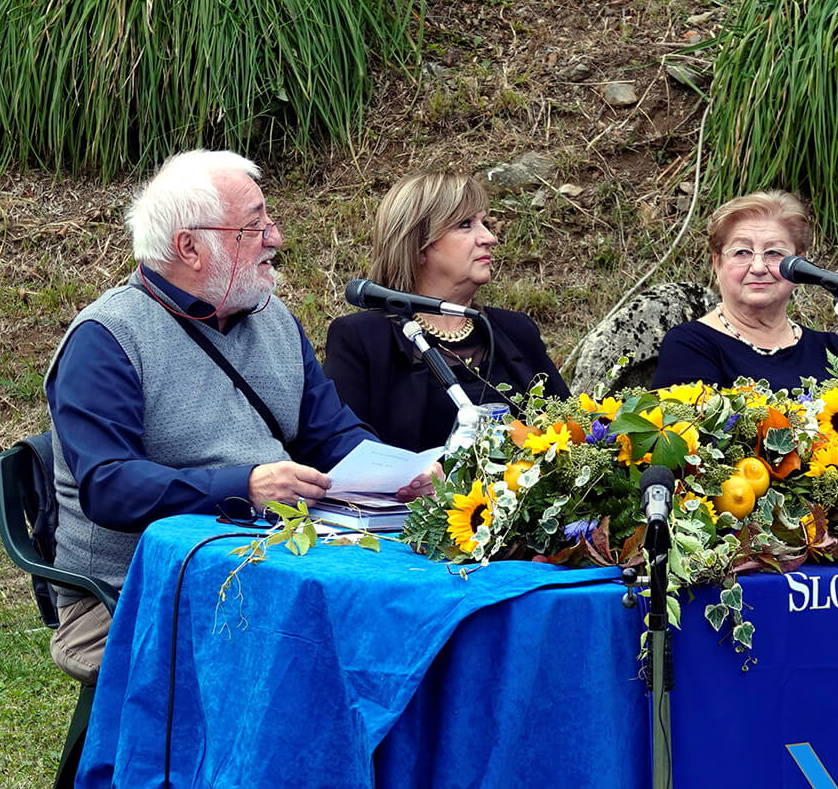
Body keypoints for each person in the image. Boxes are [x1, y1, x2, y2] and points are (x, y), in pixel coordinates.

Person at [44, 148, 430, 683]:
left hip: (272, 565)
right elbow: (110, 486)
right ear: (190, 247)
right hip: (130, 592)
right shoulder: (107, 339)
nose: (275, 237)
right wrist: (244, 486)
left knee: (398, 633)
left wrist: (401, 472)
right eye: (254, 226)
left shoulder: (274, 319)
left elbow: (332, 435)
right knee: (306, 669)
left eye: (269, 220)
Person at [325, 172, 568, 452]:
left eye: (485, 223)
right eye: (466, 225)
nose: (489, 238)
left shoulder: (516, 330)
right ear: (417, 246)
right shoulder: (363, 339)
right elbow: (344, 451)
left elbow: (570, 430)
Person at [651, 190, 838, 391]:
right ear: (717, 264)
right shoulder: (689, 345)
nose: (757, 267)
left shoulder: (834, 350)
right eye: (742, 252)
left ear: (800, 267)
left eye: (774, 253)